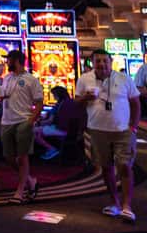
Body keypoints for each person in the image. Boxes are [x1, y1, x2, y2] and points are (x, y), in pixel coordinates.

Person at [77, 49, 140, 222]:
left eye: (105, 61)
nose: (102, 64)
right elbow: (76, 102)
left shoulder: (123, 78)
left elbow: (135, 102)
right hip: (97, 130)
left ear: (111, 62)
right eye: (98, 61)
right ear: (92, 63)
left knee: (124, 165)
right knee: (105, 168)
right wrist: (85, 97)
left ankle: (127, 206)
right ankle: (115, 203)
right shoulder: (84, 79)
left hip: (122, 131)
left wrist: (133, 127)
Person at [0, 49, 42, 204]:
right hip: (6, 121)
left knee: (22, 157)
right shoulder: (7, 78)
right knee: (8, 157)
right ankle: (30, 181)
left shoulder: (31, 80)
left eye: (8, 59)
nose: (6, 62)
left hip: (23, 120)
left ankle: (20, 192)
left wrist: (31, 121)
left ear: (16, 60)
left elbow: (39, 102)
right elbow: (3, 95)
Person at [32, 86, 81, 160]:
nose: (53, 97)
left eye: (53, 95)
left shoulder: (59, 105)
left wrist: (38, 122)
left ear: (58, 95)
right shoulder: (71, 102)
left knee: (32, 131)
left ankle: (51, 149)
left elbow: (49, 121)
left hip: (62, 131)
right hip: (73, 132)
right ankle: (49, 150)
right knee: (38, 132)